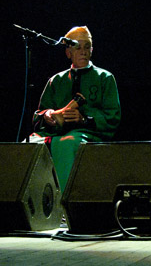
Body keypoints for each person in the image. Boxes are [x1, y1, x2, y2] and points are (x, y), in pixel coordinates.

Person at [31, 26, 121, 191]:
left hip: (87, 133)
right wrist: (48, 115)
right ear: (68, 53)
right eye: (78, 47)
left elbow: (113, 117)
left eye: (87, 46)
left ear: (92, 50)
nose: (83, 51)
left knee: (67, 143)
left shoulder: (104, 78)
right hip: (55, 133)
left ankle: (62, 204)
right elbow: (39, 115)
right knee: (29, 143)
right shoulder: (56, 80)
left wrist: (84, 119)